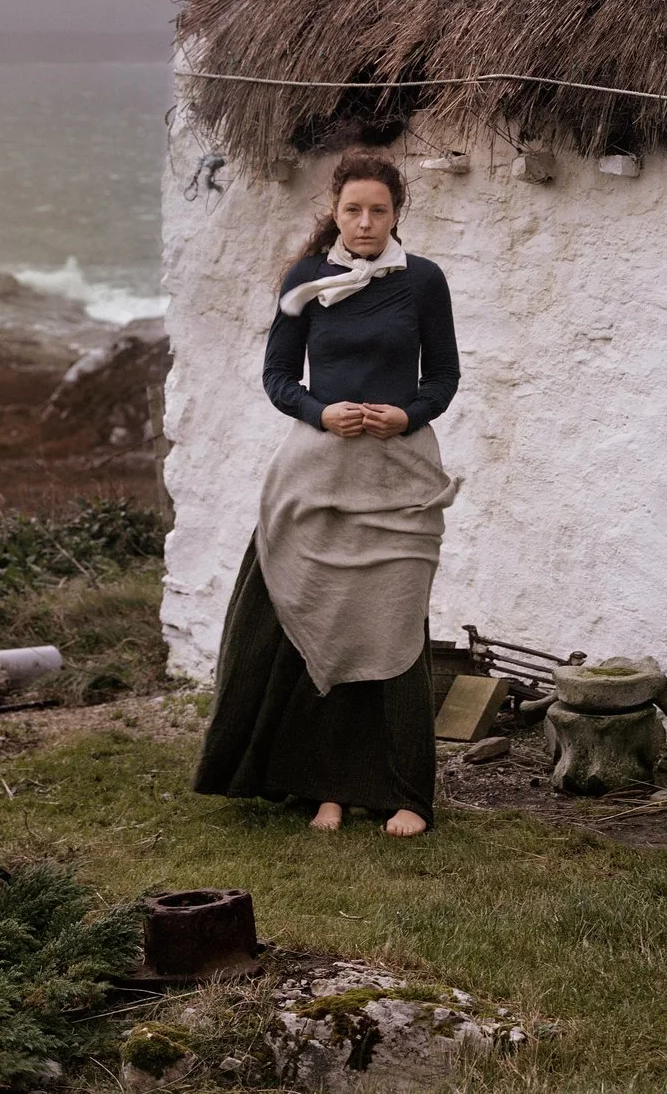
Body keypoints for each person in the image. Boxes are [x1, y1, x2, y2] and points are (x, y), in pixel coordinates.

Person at [192, 149, 461, 836]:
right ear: (334, 212)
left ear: (397, 213)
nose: (365, 222)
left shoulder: (425, 282)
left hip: (398, 476)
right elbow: (279, 378)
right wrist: (321, 412)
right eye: (353, 210)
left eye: (378, 210)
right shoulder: (304, 279)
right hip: (316, 476)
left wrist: (407, 414)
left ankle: (407, 797)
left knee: (396, 629)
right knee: (321, 626)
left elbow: (444, 379)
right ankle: (327, 790)